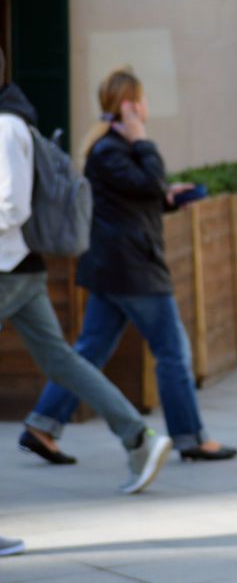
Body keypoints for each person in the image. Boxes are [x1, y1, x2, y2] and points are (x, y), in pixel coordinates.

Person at [23, 68, 237, 463]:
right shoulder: (112, 149)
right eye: (138, 100)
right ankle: (190, 437)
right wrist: (143, 142)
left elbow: (140, 195)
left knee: (88, 353)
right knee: (172, 351)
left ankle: (42, 426)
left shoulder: (111, 150)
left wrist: (169, 196)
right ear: (127, 105)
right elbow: (148, 183)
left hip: (114, 269)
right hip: (133, 271)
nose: (144, 107)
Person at [0, 55, 171, 493]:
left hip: (9, 267)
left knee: (78, 357)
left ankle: (145, 438)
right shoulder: (17, 124)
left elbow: (11, 205)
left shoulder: (6, 127)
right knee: (67, 359)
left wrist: (143, 142)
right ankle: (137, 438)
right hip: (25, 267)